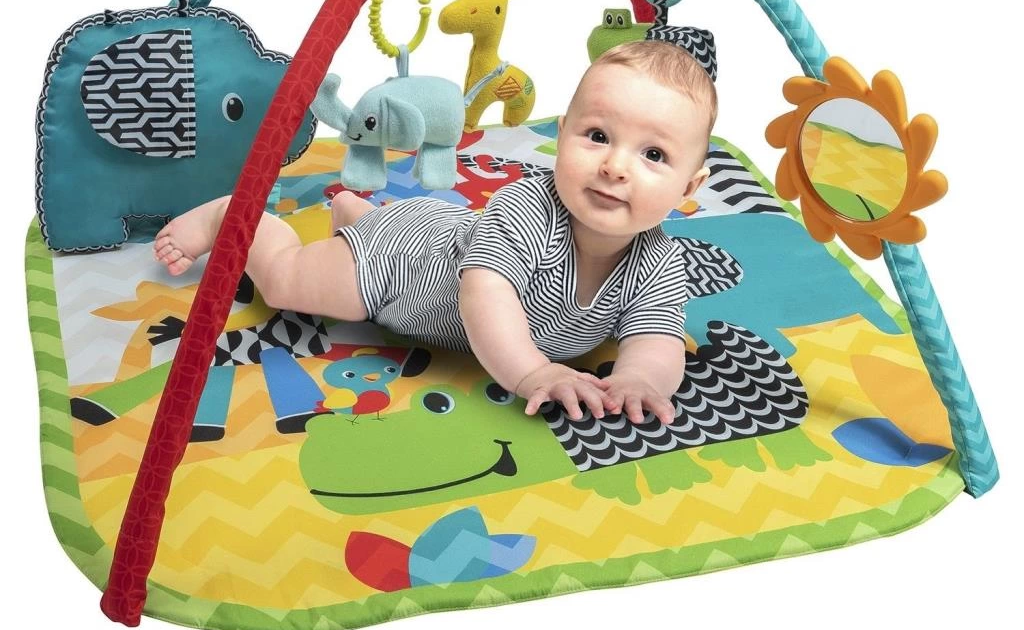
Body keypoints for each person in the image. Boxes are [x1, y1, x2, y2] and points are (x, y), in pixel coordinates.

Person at [154, 40, 716, 426]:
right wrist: (534, 371)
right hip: (402, 265)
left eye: (653, 155)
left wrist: (641, 380)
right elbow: (486, 298)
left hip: (440, 234)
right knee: (287, 282)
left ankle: (354, 213)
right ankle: (235, 218)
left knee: (361, 232)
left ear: (689, 187)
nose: (615, 166)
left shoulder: (659, 262)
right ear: (562, 134)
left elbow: (657, 338)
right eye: (597, 136)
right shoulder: (526, 208)